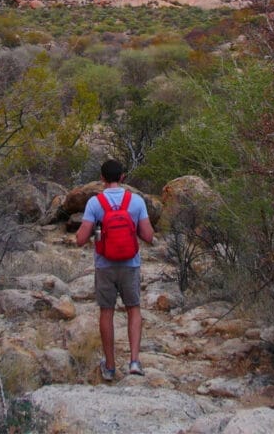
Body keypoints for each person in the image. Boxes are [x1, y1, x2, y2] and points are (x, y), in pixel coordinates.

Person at [75, 159, 154, 381]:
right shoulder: (136, 201)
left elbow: (80, 239)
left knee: (106, 312)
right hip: (130, 264)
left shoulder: (94, 203)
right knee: (134, 309)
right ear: (122, 177)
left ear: (101, 178)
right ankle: (135, 362)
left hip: (104, 264)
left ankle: (109, 366)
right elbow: (148, 236)